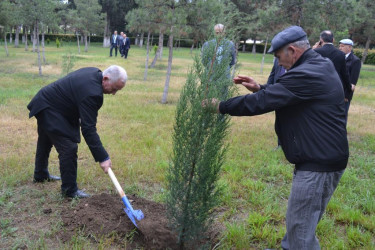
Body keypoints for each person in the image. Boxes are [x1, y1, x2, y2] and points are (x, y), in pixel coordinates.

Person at [203, 26, 348, 249]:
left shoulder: (307, 72)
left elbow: (261, 103)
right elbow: (286, 94)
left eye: (279, 57)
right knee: (300, 223)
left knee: (300, 231)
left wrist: (220, 106)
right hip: (324, 157)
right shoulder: (318, 65)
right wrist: (261, 87)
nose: (279, 63)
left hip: (318, 164)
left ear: (292, 50)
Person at [27, 65, 127, 198]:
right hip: (50, 107)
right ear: (106, 78)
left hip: (46, 102)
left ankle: (40, 174)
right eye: (114, 89)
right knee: (68, 147)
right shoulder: (93, 93)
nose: (114, 93)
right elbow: (88, 129)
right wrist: (103, 157)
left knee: (46, 139)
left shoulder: (94, 72)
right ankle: (70, 191)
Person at [313, 30, 352, 116]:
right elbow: (345, 74)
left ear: (321, 40)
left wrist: (313, 49)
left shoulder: (316, 52)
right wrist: (348, 92)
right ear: (333, 40)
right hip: (335, 88)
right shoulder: (340, 54)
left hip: (318, 87)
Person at [339, 38, 362, 119]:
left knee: (343, 115)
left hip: (345, 92)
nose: (340, 48)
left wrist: (347, 96)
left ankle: (342, 131)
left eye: (342, 46)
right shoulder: (339, 58)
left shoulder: (355, 61)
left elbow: (353, 81)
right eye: (340, 46)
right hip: (336, 90)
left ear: (349, 47)